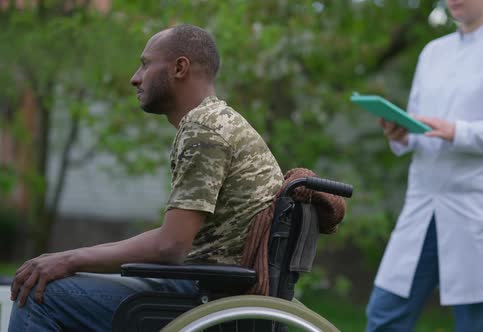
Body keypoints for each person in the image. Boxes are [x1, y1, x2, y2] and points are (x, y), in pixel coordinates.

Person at [8, 24, 283, 331]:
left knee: (38, 295)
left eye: (146, 64)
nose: (134, 78)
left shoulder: (204, 131)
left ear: (180, 68)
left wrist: (70, 259)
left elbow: (171, 246)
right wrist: (70, 259)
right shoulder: (218, 121)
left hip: (206, 299)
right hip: (207, 286)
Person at [365, 0, 483, 331]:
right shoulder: (433, 52)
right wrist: (404, 134)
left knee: (475, 326)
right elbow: (424, 128)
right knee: (384, 316)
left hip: (478, 215)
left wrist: (459, 131)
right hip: (423, 209)